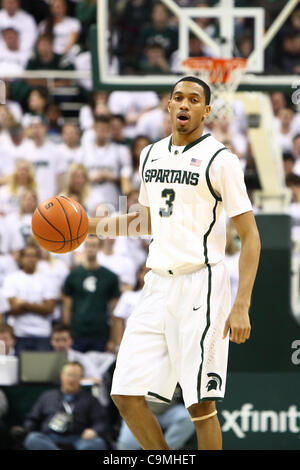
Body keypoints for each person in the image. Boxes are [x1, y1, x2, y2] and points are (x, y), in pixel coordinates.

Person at [88, 76, 261, 450]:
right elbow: (144, 220)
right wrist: (88, 225)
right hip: (156, 284)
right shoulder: (150, 153)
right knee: (125, 394)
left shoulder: (221, 159)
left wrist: (241, 304)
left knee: (200, 405)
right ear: (168, 105)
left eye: (193, 99)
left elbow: (251, 237)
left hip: (202, 283)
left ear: (206, 110)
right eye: (178, 98)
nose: (184, 104)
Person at [23, 361, 109, 450]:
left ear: (81, 378)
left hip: (79, 439)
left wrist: (94, 431)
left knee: (97, 443)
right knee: (32, 439)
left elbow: (101, 422)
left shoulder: (90, 399)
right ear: (62, 375)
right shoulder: (47, 396)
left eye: (76, 376)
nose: (71, 379)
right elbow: (32, 419)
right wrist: (28, 429)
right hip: (49, 438)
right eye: (68, 375)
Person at [62, 235, 120, 353]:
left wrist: (113, 340)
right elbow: (67, 307)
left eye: (94, 245)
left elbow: (114, 311)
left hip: (101, 332)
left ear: (99, 248)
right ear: (84, 248)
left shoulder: (110, 277)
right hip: (77, 332)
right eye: (88, 245)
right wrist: (67, 333)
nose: (90, 249)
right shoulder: (73, 275)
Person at [2, 243, 57, 354]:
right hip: (19, 333)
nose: (31, 259)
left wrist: (23, 304)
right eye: (27, 255)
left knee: (41, 370)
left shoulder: (47, 280)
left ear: (38, 259)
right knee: (19, 369)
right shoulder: (11, 279)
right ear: (21, 259)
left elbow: (49, 309)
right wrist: (38, 305)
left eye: (34, 256)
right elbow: (11, 309)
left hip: (42, 333)